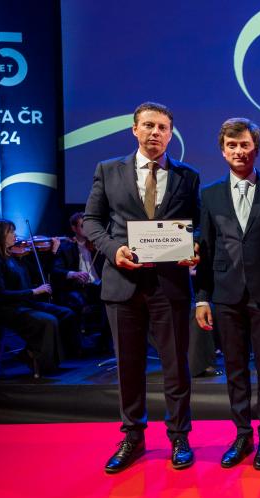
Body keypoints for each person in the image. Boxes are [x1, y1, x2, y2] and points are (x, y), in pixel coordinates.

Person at [83, 102, 200, 474]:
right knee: (128, 366)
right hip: (123, 283)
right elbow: (91, 221)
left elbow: (197, 224)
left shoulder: (187, 176)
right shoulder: (108, 170)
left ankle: (179, 436)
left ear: (170, 134)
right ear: (134, 129)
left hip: (170, 285)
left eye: (162, 127)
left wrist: (195, 244)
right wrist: (112, 249)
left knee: (176, 366)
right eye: (148, 125)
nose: (155, 133)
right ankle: (132, 436)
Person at [195, 118, 260, 469]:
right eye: (232, 146)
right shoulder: (210, 194)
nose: (239, 151)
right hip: (225, 296)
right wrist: (202, 297)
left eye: (245, 145)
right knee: (235, 370)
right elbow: (206, 249)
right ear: (223, 151)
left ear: (256, 148)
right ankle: (242, 434)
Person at [0, 219, 78, 374]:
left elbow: (42, 271)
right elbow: (0, 294)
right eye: (11, 232)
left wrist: (53, 252)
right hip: (7, 308)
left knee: (66, 314)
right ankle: (42, 363)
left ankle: (48, 356)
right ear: (0, 236)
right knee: (48, 320)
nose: (15, 235)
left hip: (24, 303)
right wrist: (34, 292)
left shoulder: (14, 257)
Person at [52, 212, 107, 348]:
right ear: (74, 228)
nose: (87, 229)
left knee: (112, 299)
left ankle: (104, 342)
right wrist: (73, 274)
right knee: (75, 301)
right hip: (77, 288)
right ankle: (77, 345)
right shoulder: (66, 247)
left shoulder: (97, 245)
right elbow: (56, 270)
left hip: (98, 286)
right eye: (83, 226)